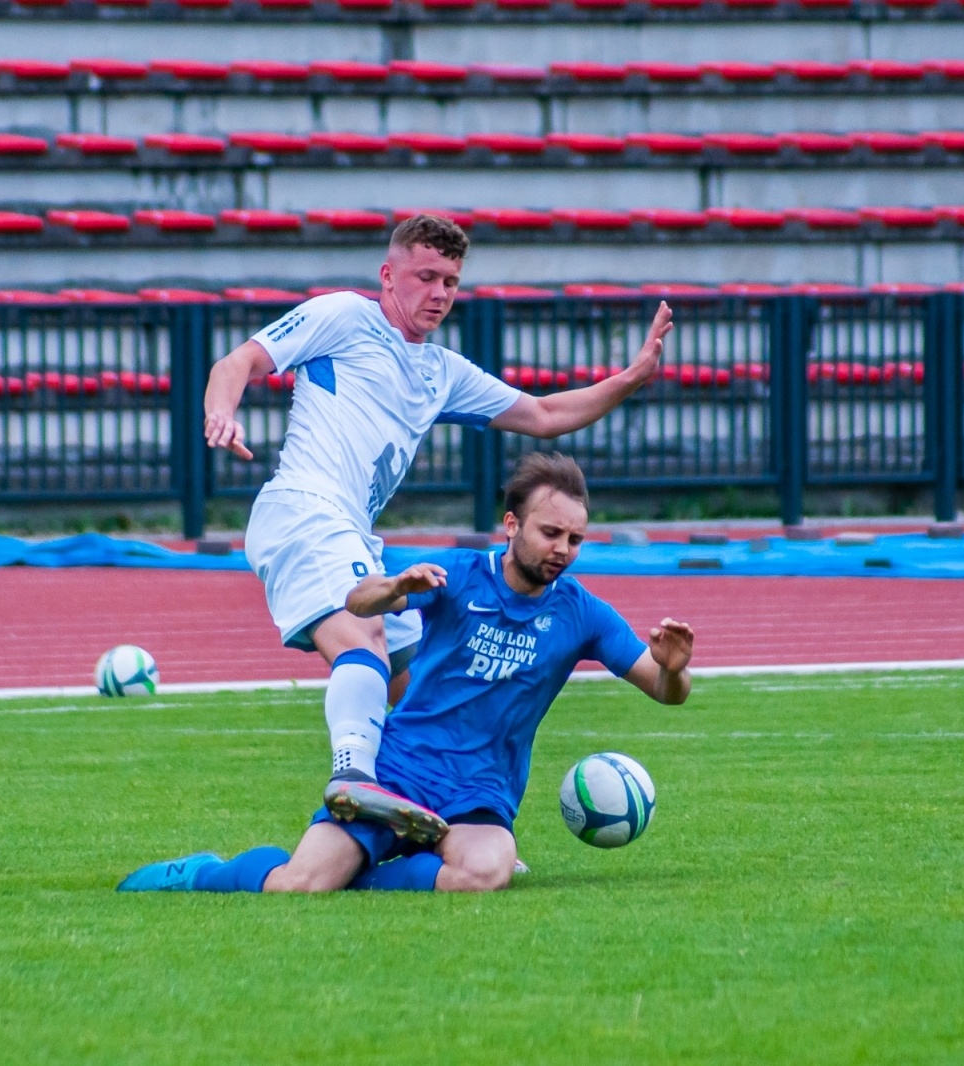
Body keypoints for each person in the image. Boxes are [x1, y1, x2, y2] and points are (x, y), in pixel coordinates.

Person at [204, 214, 675, 844]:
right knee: (363, 634)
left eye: (450, 281)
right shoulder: (345, 316)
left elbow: (542, 415)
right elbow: (239, 361)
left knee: (418, 676)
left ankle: (434, 817)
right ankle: (352, 777)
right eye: (426, 276)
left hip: (351, 531)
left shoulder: (442, 371)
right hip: (305, 508)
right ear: (388, 275)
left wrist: (632, 379)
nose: (439, 293)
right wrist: (221, 415)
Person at [117, 452, 695, 894]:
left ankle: (377, 866)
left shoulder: (581, 612)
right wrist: (397, 587)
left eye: (575, 539)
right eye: (551, 533)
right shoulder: (459, 576)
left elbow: (667, 692)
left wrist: (673, 669)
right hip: (397, 775)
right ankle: (202, 874)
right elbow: (357, 602)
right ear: (512, 524)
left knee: (485, 873)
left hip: (479, 796)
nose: (563, 550)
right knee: (302, 884)